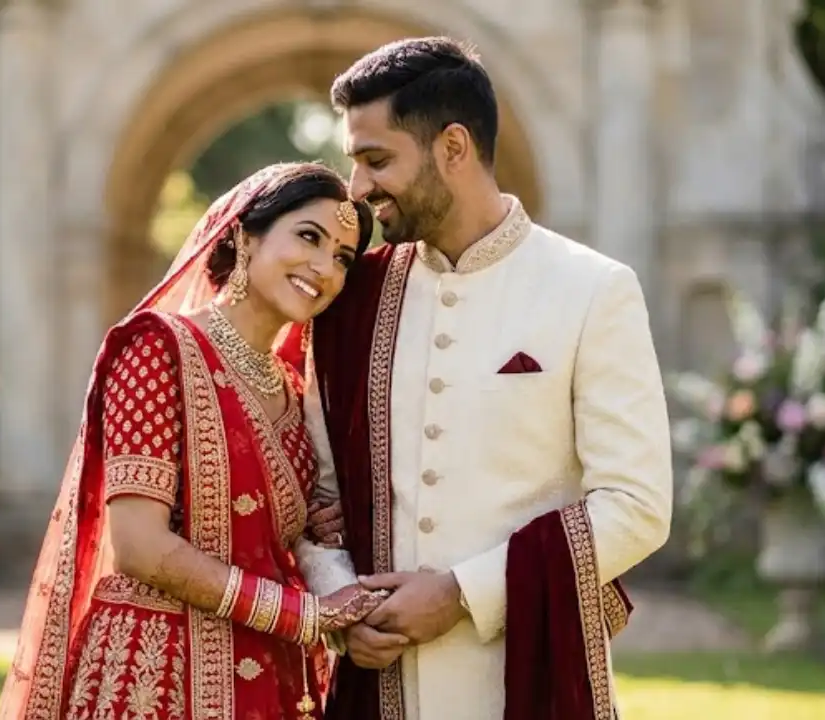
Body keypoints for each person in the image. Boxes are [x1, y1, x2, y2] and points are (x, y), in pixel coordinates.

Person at [289, 37, 675, 720]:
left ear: (454, 148)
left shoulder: (591, 289)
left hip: (529, 682)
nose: (357, 190)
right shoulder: (353, 302)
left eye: (377, 160)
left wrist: (461, 594)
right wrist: (342, 604)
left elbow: (637, 505)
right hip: (377, 682)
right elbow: (317, 497)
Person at [0, 162, 387, 720]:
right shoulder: (156, 350)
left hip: (271, 678)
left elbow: (273, 530)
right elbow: (139, 545)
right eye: (309, 236)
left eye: (343, 258)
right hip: (158, 676)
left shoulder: (295, 388)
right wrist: (301, 615)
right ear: (244, 235)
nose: (324, 267)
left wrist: (325, 526)